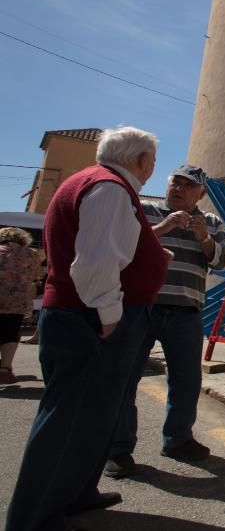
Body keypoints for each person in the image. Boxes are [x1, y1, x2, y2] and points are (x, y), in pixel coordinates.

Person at [5, 126, 170, 531]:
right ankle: (33, 517)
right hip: (91, 319)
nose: (152, 168)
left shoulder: (98, 183)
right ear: (141, 160)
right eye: (152, 161)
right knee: (67, 420)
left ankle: (78, 493)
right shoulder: (110, 188)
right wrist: (110, 318)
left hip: (88, 316)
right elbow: (95, 265)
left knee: (95, 416)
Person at [105, 164, 225, 479]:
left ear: (200, 194)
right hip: (140, 307)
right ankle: (118, 450)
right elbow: (123, 245)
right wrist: (161, 228)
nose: (180, 189)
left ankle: (178, 440)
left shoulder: (212, 222)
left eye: (188, 186)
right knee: (124, 378)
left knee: (186, 381)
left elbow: (223, 262)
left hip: (186, 311)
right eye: (176, 182)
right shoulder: (144, 211)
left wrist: (204, 238)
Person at [0, 227, 41, 384]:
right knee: (11, 332)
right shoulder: (32, 255)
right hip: (17, 301)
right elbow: (35, 275)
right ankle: (5, 369)